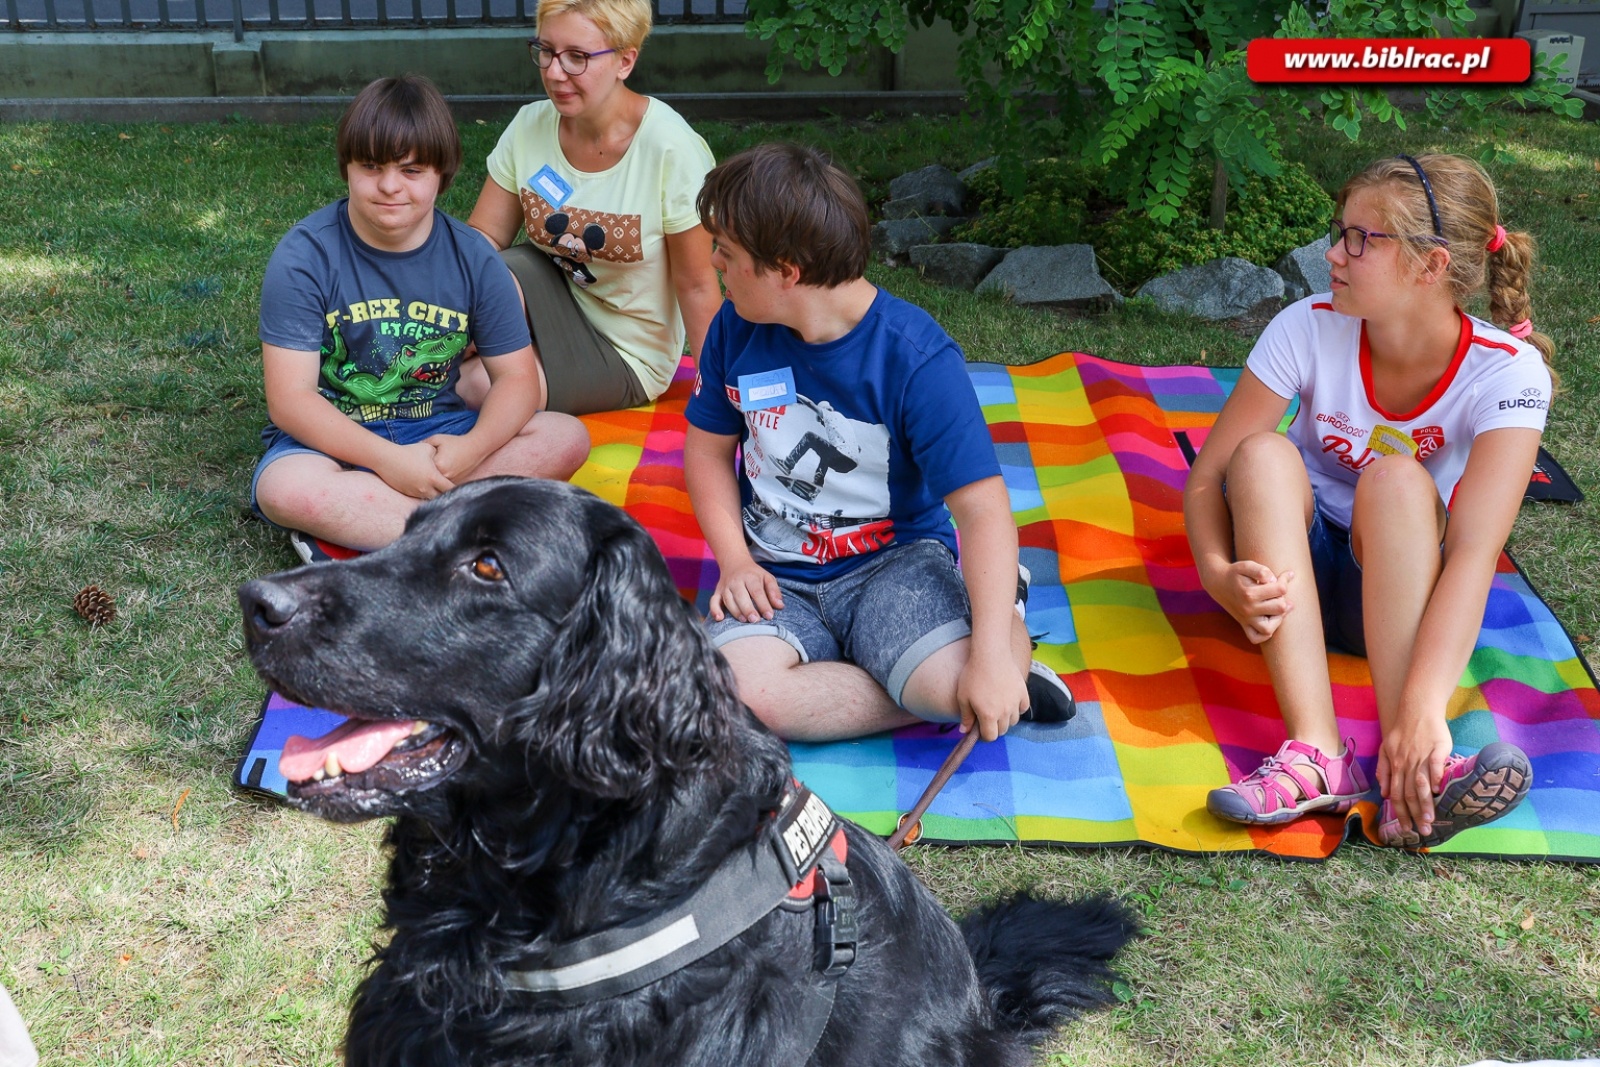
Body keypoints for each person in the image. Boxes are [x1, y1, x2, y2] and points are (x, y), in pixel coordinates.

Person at [1183, 154, 1554, 849]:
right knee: (1259, 455)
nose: (1333, 253)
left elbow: (1474, 554)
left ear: (1430, 265)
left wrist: (1422, 707)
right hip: (1282, 581)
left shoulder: (1508, 372)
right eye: (1340, 232)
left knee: (1396, 478)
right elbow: (1209, 477)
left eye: (1360, 239)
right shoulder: (1307, 325)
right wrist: (1216, 573)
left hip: (1397, 594)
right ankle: (1316, 753)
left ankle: (1413, 764)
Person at [682, 143, 1076, 744]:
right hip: (774, 571)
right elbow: (707, 451)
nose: (712, 261)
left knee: (963, 683)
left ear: (785, 271)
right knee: (732, 698)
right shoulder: (734, 329)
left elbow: (983, 510)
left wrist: (991, 659)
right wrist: (735, 560)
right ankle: (947, 673)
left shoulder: (917, 358)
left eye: (727, 253)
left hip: (894, 566)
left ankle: (1001, 626)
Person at [251, 75, 590, 559]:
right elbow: (290, 400)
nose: (390, 186)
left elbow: (517, 379)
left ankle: (387, 530)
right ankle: (464, 532)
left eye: (411, 170)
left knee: (565, 437)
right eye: (371, 166)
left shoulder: (474, 258)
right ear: (346, 167)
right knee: (285, 489)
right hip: (333, 441)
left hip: (440, 434)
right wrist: (388, 461)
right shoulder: (304, 256)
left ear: (442, 175)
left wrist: (471, 449)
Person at [463, 0, 721, 415]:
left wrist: (718, 396)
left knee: (477, 385)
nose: (554, 72)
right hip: (552, 292)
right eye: (546, 51)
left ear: (625, 61)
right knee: (475, 298)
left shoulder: (671, 150)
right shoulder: (530, 125)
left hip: (625, 349)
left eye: (576, 57)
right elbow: (485, 237)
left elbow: (697, 286)